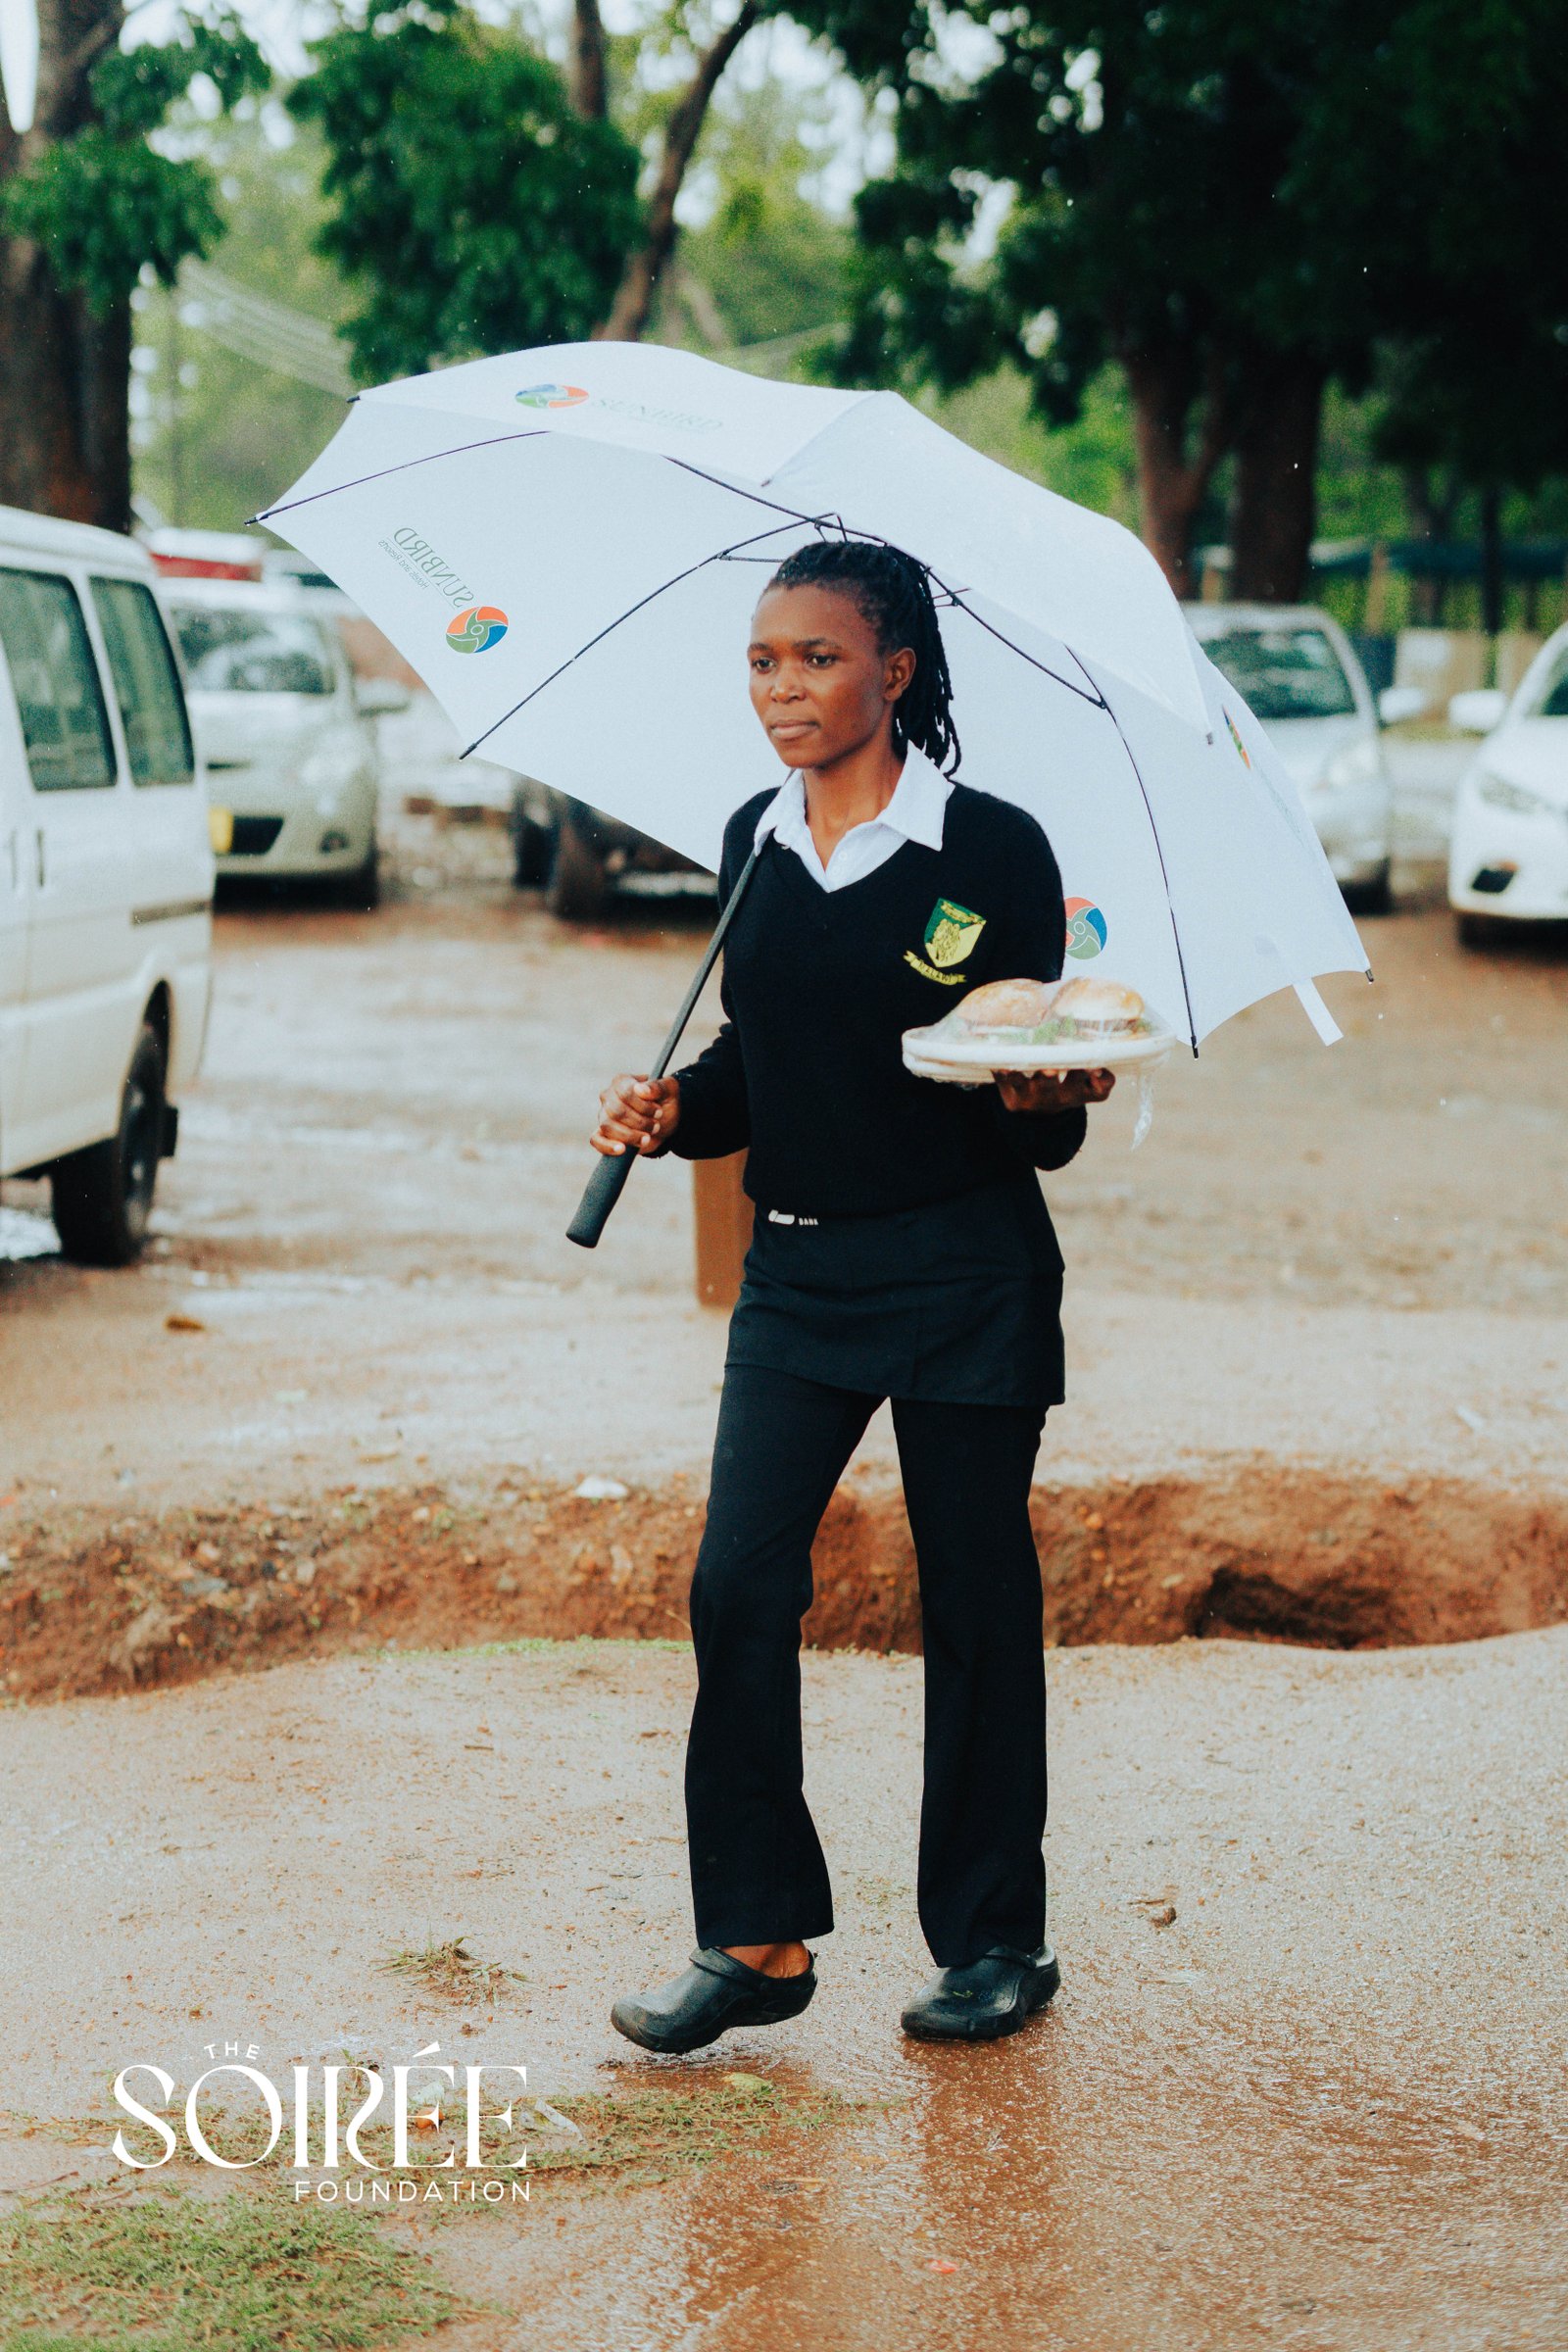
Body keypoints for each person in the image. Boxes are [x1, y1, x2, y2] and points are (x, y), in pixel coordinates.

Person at [589, 538, 1114, 2053]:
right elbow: (759, 1064)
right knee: (737, 1582)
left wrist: (1047, 1096)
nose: (783, 688)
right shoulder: (754, 839)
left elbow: (1038, 1099)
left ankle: (996, 1941)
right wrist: (676, 1110)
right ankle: (757, 1937)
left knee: (976, 1595)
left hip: (964, 1266)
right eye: (763, 661)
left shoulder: (992, 850)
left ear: (896, 670)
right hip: (800, 1272)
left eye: (816, 658)